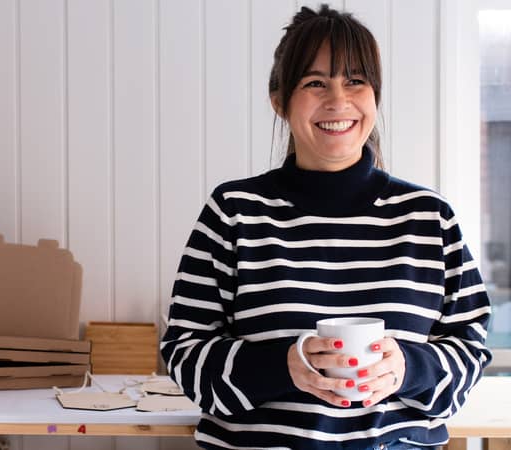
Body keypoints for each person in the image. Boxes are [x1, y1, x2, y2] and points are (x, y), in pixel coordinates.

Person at [160, 4, 492, 450]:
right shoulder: (235, 212)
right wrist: (284, 366)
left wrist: (407, 369)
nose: (339, 101)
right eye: (315, 83)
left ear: (375, 96)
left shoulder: (428, 218)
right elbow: (185, 352)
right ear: (279, 101)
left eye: (355, 81)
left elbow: (469, 351)